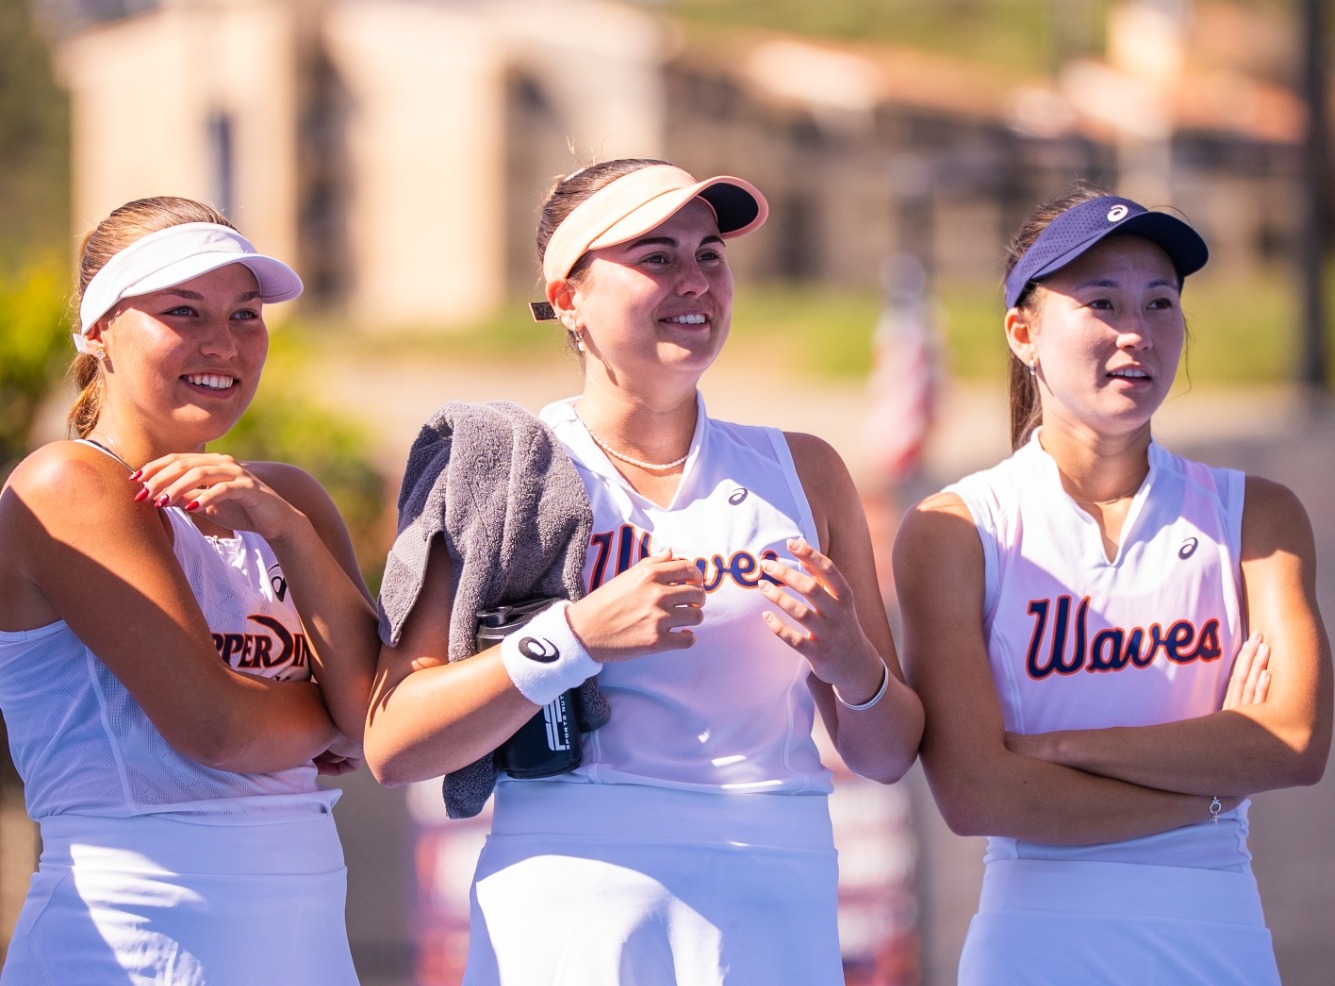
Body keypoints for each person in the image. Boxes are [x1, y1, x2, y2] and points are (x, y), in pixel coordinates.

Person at [365, 158, 924, 984]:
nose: (694, 280)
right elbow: (394, 743)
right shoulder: (500, 474)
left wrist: (854, 667)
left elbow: (886, 754)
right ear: (568, 298)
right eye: (656, 257)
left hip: (776, 891)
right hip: (571, 899)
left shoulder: (804, 471)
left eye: (709, 255)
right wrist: (575, 637)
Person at [892, 185, 1332, 984]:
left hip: (1216, 936)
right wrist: (1209, 788)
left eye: (1159, 302)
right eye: (1101, 302)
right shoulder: (956, 528)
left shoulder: (1255, 515)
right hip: (1035, 943)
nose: (1136, 332)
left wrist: (1057, 750)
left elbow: (1293, 743)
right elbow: (976, 793)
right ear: (1023, 334)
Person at [0, 197, 378, 984]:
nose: (223, 343)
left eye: (245, 314)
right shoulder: (67, 484)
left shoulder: (288, 501)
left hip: (307, 938)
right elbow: (219, 731)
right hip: (134, 940)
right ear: (98, 330)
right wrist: (341, 714)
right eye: (183, 311)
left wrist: (289, 534)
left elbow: (379, 716)